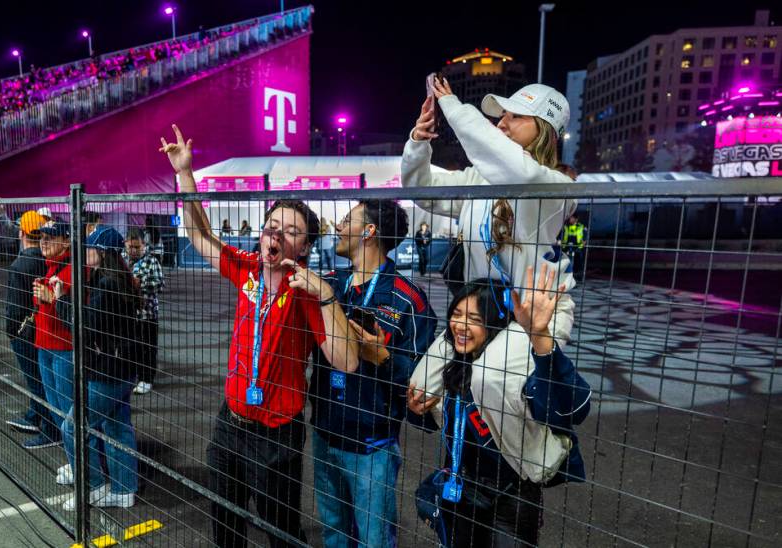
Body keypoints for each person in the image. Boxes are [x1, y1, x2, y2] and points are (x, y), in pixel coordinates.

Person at [160, 124, 359, 548]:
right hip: (230, 422)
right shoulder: (248, 269)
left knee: (279, 529)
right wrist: (185, 174)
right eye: (272, 225)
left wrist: (326, 296)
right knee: (226, 524)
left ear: (304, 248)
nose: (275, 234)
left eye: (290, 231)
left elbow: (347, 362)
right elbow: (199, 235)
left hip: (277, 434)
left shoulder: (308, 290)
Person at [402, 79, 579, 467]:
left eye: (515, 116)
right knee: (423, 386)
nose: (500, 124)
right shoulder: (478, 180)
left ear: (544, 130)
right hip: (485, 309)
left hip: (536, 313)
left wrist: (453, 107)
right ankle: (472, 460)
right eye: (500, 117)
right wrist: (419, 141)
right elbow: (422, 189)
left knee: (488, 381)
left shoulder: (556, 184)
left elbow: (521, 174)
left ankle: (540, 461)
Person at [407, 267, 590, 547]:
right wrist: (417, 409)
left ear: (494, 324)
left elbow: (572, 410)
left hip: (511, 497)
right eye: (456, 315)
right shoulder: (454, 368)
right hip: (462, 487)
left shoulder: (510, 375)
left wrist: (540, 337)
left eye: (474, 319)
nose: (459, 326)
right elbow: (435, 424)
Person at [309, 199, 437, 548]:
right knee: (334, 534)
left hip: (371, 445)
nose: (338, 225)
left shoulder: (409, 300)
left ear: (369, 232)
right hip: (324, 433)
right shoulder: (329, 285)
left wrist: (381, 357)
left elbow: (421, 387)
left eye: (347, 219)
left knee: (374, 541)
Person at [57, 226, 142, 510]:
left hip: (108, 372)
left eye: (90, 248)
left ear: (101, 253)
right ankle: (123, 489)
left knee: (73, 428)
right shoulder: (120, 281)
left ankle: (93, 486)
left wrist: (61, 300)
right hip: (123, 369)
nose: (85, 253)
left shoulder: (107, 285)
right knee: (118, 427)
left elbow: (83, 328)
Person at [3, 210, 57, 448]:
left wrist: (11, 332)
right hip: (46, 329)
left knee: (37, 382)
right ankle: (36, 416)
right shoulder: (49, 259)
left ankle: (48, 430)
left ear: (22, 232)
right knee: (45, 380)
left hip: (25, 332)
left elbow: (14, 310)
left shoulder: (20, 264)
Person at [30, 222, 73, 451]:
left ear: (66, 240)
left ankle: (84, 464)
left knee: (67, 410)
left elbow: (76, 315)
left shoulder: (74, 268)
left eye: (50, 237)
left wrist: (52, 298)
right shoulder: (52, 267)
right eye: (41, 237)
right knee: (57, 408)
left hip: (63, 348)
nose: (43, 242)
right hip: (46, 345)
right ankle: (73, 459)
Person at [124, 228, 164, 395]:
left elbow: (160, 284)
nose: (133, 251)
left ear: (144, 245)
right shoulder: (123, 260)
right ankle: (134, 376)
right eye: (130, 247)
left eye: (137, 247)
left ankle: (146, 378)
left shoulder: (151, 261)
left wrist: (141, 283)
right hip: (128, 315)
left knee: (148, 349)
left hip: (148, 315)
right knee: (133, 348)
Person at [561, 214, 586, 282]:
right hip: (567, 248)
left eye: (572, 218)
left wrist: (583, 243)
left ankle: (578, 279)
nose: (570, 219)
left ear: (576, 219)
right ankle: (568, 278)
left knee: (578, 264)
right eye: (570, 218)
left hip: (578, 249)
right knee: (568, 263)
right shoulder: (566, 227)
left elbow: (584, 238)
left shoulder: (581, 227)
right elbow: (563, 237)